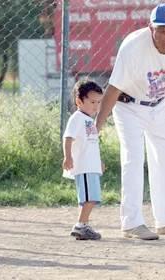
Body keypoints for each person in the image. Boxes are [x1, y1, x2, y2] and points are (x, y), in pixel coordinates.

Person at [95, 3, 165, 240]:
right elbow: (112, 89)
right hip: (128, 105)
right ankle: (132, 223)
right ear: (151, 27)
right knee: (133, 158)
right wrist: (97, 127)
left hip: (159, 105)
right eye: (163, 31)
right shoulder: (134, 47)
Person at [63, 80, 104, 240]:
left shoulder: (89, 121)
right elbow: (68, 137)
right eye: (92, 102)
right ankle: (81, 225)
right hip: (84, 167)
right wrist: (68, 156)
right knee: (89, 198)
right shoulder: (77, 118)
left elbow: (91, 145)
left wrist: (98, 162)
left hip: (91, 166)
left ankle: (83, 225)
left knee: (92, 198)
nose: (96, 106)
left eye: (99, 102)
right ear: (79, 101)